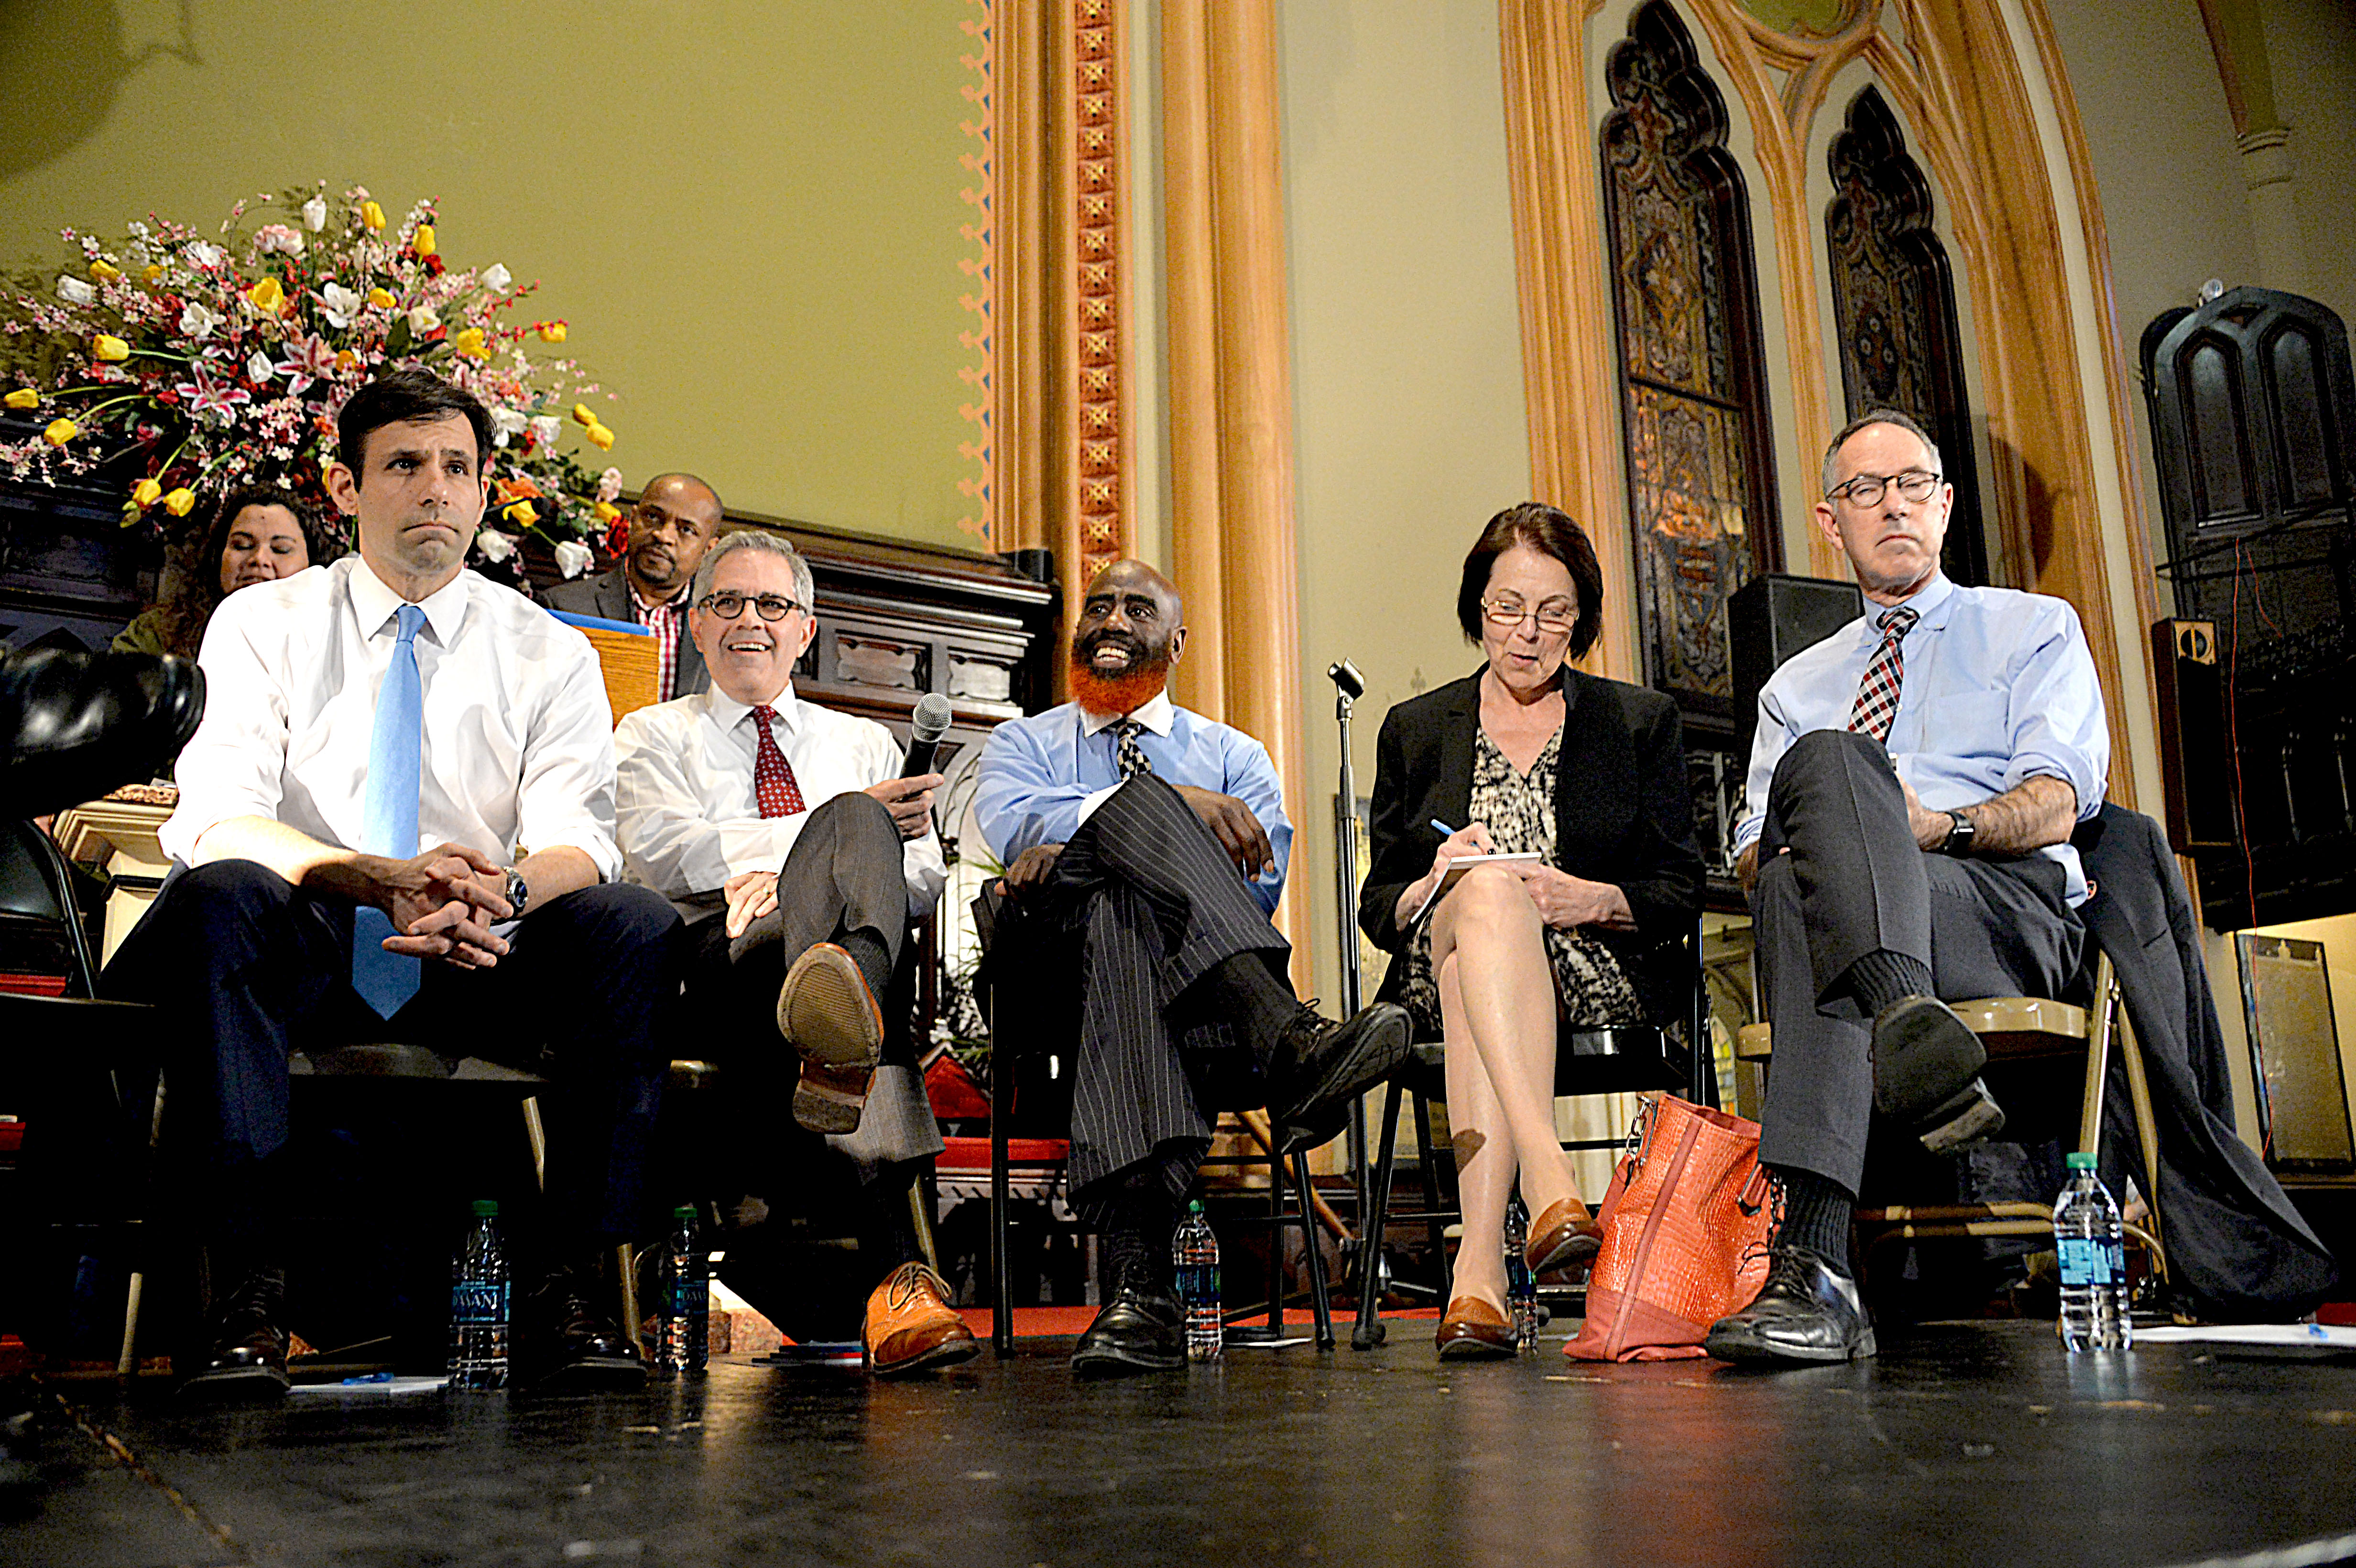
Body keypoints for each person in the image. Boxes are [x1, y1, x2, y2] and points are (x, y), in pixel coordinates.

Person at [104, 368, 683, 1398]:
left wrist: (494, 893)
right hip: (312, 931)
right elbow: (218, 811)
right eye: (406, 465)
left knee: (631, 922)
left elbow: (579, 836)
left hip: (478, 944)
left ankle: (573, 1282)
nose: (435, 489)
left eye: (457, 468)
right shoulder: (264, 623)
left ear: (484, 488)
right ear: (344, 488)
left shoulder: (547, 649)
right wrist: (366, 877)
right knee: (224, 892)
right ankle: (245, 1284)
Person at [1704, 409, 2108, 1366]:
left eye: (1911, 484)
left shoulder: (2030, 626)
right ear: (1829, 519)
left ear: (1945, 503)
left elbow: (2058, 800)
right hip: (1856, 914)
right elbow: (1755, 853)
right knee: (1828, 782)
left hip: (1994, 897)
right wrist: (1851, 831)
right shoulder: (1794, 686)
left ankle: (1811, 1265)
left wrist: (1935, 825)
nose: (1892, 505)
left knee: (1831, 825)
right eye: (1864, 490)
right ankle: (1901, 1011)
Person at [973, 558, 1411, 1375]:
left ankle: (1139, 1295)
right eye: (1097, 606)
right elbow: (1011, 827)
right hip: (1045, 981)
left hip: (1181, 984)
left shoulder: (1237, 756)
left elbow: (1255, 889)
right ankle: (1290, 1047)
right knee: (1129, 852)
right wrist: (1172, 810)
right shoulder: (1019, 741)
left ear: (1176, 640)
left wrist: (1090, 839)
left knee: (1125, 915)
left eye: (1136, 609)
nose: (1111, 619)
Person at [612, 528, 975, 1376]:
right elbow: (654, 853)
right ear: (696, 627)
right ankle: (901, 1283)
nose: (750, 621)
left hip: (829, 972)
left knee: (845, 886)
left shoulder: (859, 745)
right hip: (716, 967)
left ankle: (837, 1016)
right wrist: (807, 852)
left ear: (805, 629)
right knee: (849, 837)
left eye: (772, 605)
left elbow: (919, 873)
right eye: (726, 603)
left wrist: (802, 863)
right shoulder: (651, 735)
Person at [1359, 503, 1704, 1359]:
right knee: (1476, 899)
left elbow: (1679, 888)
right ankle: (1549, 1176)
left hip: (1585, 967)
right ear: (1476, 607)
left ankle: (1476, 1273)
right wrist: (1433, 884)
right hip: (1439, 954)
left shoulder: (1636, 721)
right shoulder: (1415, 728)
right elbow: (1379, 904)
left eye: (1553, 613)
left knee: (1483, 935)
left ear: (1580, 620)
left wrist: (1585, 898)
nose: (1527, 633)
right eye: (1506, 607)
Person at [545, 472, 724, 702]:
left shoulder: (721, 626)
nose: (663, 535)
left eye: (686, 530)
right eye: (653, 517)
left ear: (709, 550)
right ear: (632, 520)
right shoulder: (563, 607)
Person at [112, 484, 341, 659]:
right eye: (242, 546)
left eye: (281, 550)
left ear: (314, 565)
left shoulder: (340, 644)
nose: (259, 560)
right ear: (217, 557)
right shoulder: (161, 632)